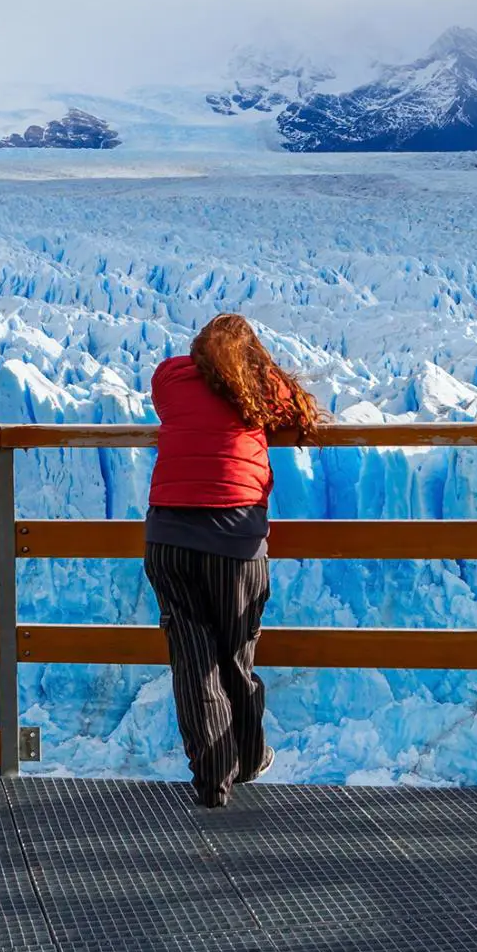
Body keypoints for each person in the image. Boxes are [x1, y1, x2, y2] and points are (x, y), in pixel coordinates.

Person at [145, 314, 322, 808]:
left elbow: (166, 399)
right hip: (235, 541)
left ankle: (213, 778)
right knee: (236, 658)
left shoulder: (172, 376)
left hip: (170, 538)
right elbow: (297, 412)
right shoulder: (260, 387)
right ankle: (245, 759)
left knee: (193, 659)